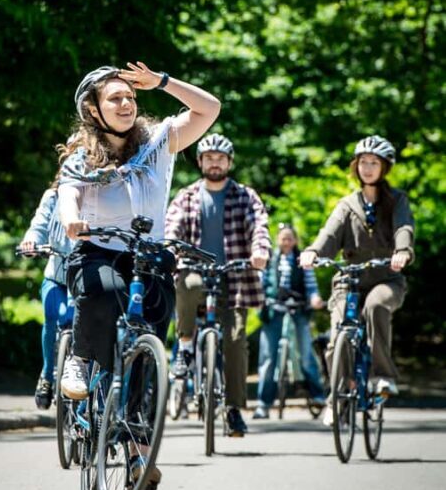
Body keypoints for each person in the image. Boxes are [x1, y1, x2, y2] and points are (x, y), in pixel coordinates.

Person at [57, 61, 220, 488]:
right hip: (99, 251)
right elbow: (68, 194)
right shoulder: (83, 156)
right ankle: (81, 358)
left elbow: (209, 109)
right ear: (94, 110)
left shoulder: (159, 143)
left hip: (149, 258)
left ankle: (137, 452)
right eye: (116, 98)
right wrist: (73, 220)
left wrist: (162, 82)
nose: (127, 103)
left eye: (130, 97)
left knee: (145, 357)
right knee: (103, 295)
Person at [165, 133, 271, 438]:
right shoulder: (186, 196)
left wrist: (260, 250)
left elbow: (259, 225)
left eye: (220, 158)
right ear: (200, 162)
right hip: (197, 269)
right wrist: (171, 250)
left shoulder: (245, 195)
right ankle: (185, 344)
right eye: (209, 157)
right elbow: (172, 227)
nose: (215, 163)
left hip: (235, 277)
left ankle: (234, 410)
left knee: (236, 340)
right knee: (188, 283)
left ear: (229, 162)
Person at [300, 135, 414, 415]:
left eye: (374, 162)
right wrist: (313, 252)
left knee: (375, 306)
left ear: (384, 167)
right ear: (356, 166)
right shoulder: (347, 205)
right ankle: (339, 395)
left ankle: (382, 376)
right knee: (337, 336)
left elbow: (404, 229)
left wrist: (402, 251)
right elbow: (329, 234)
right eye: (363, 162)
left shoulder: (397, 201)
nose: (368, 167)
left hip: (387, 279)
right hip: (349, 281)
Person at [253, 223, 326, 419]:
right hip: (273, 307)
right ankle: (263, 404)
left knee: (306, 353)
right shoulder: (269, 259)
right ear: (278, 240)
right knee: (268, 358)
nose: (286, 242)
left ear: (295, 241)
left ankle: (318, 395)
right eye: (283, 238)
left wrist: (314, 299)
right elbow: (261, 284)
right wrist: (259, 300)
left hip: (298, 308)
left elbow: (311, 286)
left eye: (290, 238)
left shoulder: (303, 260)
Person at [19, 183, 74, 409]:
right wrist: (31, 240)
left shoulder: (97, 192)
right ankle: (48, 374)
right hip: (56, 275)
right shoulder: (53, 196)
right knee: (53, 315)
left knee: (74, 318)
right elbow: (39, 223)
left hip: (82, 280)